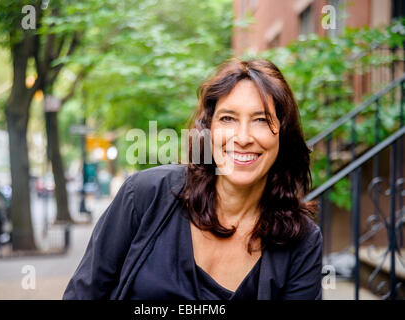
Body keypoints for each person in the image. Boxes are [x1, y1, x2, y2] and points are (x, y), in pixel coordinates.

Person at [63, 58, 323, 300]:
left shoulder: (302, 242)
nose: (243, 138)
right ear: (208, 130)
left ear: (282, 134)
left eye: (261, 120)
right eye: (228, 118)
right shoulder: (145, 194)